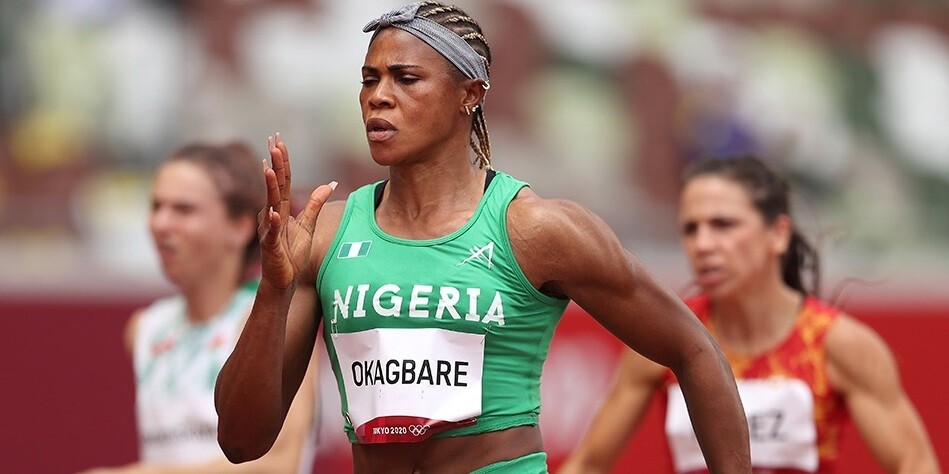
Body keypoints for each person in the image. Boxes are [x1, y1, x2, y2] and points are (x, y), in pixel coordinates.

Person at [213, 3, 752, 473]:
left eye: (406, 78)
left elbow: (696, 350)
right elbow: (241, 442)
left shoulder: (535, 230)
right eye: (369, 79)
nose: (379, 97)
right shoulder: (325, 236)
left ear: (469, 94)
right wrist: (274, 290)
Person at [560, 156, 941, 474]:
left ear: (778, 234)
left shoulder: (838, 344)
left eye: (723, 225)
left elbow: (914, 463)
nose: (703, 244)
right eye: (690, 229)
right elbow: (589, 463)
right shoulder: (664, 337)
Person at [79, 142, 317, 474]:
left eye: (184, 210)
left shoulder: (274, 319)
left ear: (240, 227)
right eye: (156, 206)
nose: (161, 223)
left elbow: (279, 464)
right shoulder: (145, 328)